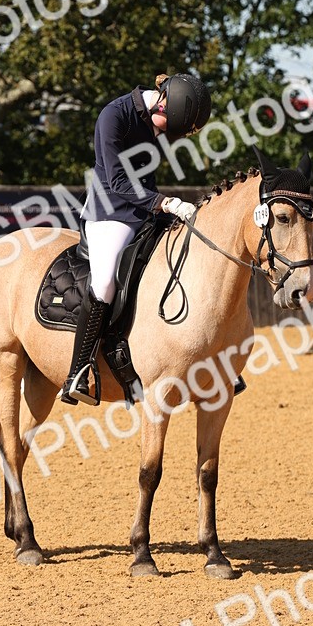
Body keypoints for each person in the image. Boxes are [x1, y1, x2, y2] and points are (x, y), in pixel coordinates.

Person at [60, 72, 211, 405]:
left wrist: (160, 206)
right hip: (108, 212)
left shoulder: (159, 115)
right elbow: (115, 181)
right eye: (164, 128)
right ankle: (78, 373)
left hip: (143, 209)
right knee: (104, 284)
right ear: (161, 104)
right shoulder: (113, 117)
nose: (161, 135)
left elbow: (145, 175)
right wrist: (164, 202)